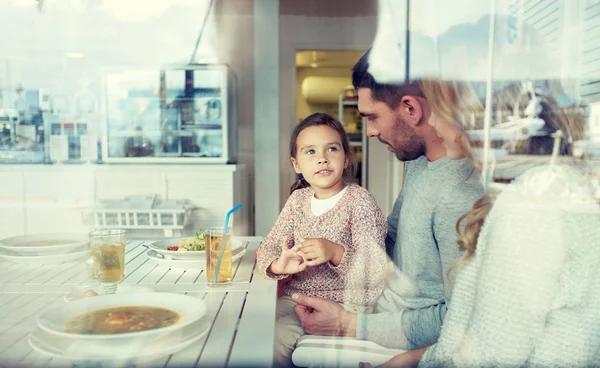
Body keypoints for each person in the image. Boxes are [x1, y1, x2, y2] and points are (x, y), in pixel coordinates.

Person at [371, 79, 600, 367]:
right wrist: (411, 361)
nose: (434, 122)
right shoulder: (531, 189)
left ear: (472, 117)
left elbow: (491, 357)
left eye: (438, 109)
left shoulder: (532, 206)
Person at [291, 52, 484, 351]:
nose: (369, 131)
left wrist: (347, 324)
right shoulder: (420, 164)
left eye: (372, 116)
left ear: (410, 108)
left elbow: (464, 322)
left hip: (384, 336)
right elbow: (387, 244)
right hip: (366, 303)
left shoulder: (457, 195)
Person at [255, 112, 389, 367]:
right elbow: (267, 247)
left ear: (346, 157)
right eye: (310, 152)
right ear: (296, 165)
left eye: (332, 149)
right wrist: (277, 265)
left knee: (273, 341)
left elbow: (374, 272)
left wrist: (336, 253)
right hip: (297, 299)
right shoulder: (298, 201)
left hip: (347, 305)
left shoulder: (359, 201)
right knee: (253, 328)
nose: (322, 159)